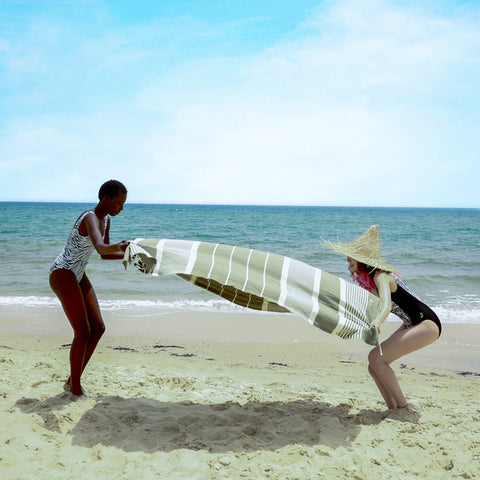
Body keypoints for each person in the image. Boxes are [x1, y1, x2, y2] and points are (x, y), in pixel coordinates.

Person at [326, 225, 441, 412]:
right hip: (413, 323)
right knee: (374, 366)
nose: (347, 259)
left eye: (351, 255)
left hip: (427, 324)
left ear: (362, 259)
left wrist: (378, 322)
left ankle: (403, 408)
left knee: (376, 358)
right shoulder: (372, 281)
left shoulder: (381, 277)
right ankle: (392, 408)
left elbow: (386, 305)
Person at [49, 180, 129, 398]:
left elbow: (105, 255)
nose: (121, 208)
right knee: (83, 331)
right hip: (63, 272)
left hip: (77, 274)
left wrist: (133, 255)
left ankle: (71, 381)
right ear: (106, 199)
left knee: (99, 328)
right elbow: (101, 247)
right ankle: (75, 389)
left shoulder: (105, 221)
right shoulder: (90, 217)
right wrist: (120, 246)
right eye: (119, 203)